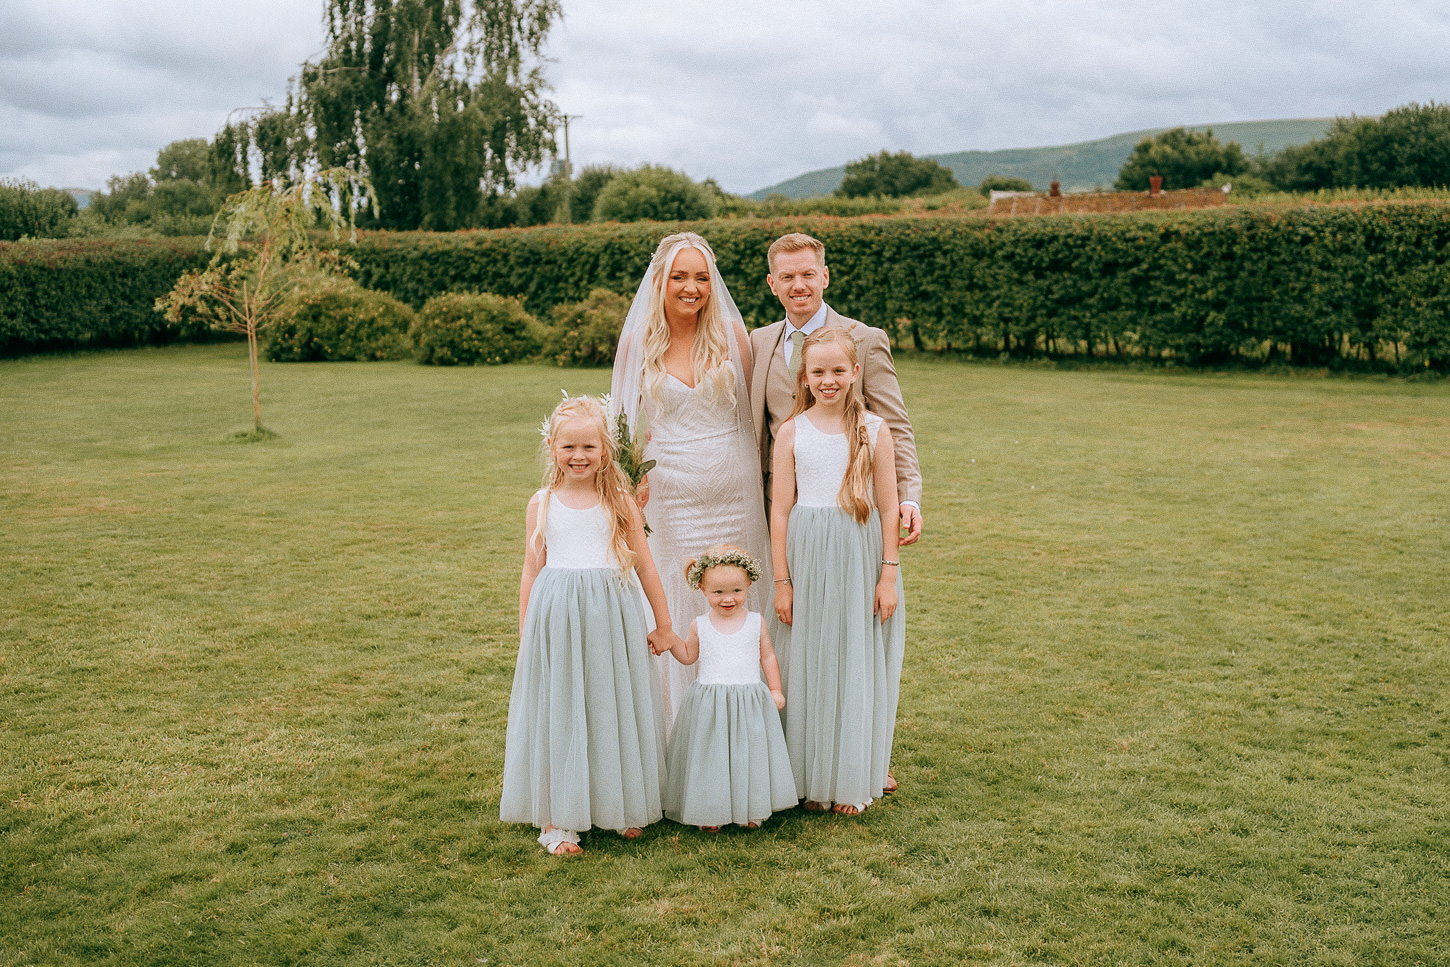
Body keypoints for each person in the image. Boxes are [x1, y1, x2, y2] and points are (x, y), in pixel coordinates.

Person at [748, 231, 921, 795]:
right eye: (786, 276)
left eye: (808, 274)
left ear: (825, 276)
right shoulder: (757, 343)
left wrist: (909, 497)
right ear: (772, 284)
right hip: (787, 520)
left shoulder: (864, 341)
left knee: (856, 638)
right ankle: (799, 753)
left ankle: (861, 755)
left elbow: (892, 425)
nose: (798, 285)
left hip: (852, 518)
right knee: (795, 640)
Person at [500, 395, 684, 856]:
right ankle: (558, 818)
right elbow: (530, 569)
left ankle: (617, 805)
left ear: (605, 449)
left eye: (588, 447)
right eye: (568, 448)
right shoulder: (541, 504)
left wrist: (663, 625)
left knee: (611, 703)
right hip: (559, 618)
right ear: (551, 447)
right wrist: (527, 630)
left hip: (612, 615)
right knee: (562, 706)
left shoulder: (619, 502)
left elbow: (645, 567)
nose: (578, 456)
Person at [610, 232, 772, 731]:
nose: (691, 287)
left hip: (734, 489)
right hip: (672, 497)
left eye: (701, 277)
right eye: (679, 276)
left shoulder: (730, 335)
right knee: (680, 600)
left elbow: (754, 415)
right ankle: (679, 736)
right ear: (660, 280)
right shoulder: (639, 341)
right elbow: (621, 422)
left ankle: (748, 731)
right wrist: (630, 485)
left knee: (739, 599)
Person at [770, 328, 905, 815]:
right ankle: (806, 774)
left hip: (859, 554)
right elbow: (781, 510)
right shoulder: (792, 432)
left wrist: (887, 574)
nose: (828, 380)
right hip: (808, 555)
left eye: (837, 371)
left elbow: (889, 507)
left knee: (853, 658)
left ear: (855, 374)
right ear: (804, 378)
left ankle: (850, 774)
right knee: (809, 657)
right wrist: (782, 581)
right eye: (818, 372)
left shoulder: (874, 429)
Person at [654, 545, 797, 831]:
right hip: (711, 702)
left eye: (736, 591)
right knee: (712, 758)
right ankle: (710, 811)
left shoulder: (756, 622)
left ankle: (750, 809)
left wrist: (775, 689)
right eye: (718, 592)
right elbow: (688, 656)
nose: (728, 599)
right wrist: (670, 641)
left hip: (749, 700)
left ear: (749, 585)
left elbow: (767, 656)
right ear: (703, 589)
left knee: (749, 754)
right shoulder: (700, 625)